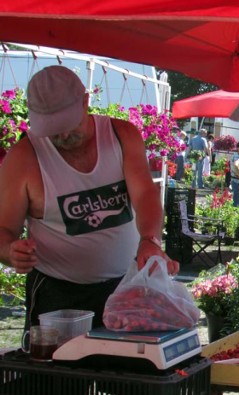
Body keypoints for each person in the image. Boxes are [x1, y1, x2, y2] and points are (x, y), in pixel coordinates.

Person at [0, 65, 178, 331]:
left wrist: (149, 240)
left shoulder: (121, 136)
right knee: (55, 372)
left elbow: (146, 196)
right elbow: (4, 229)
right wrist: (8, 252)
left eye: (68, 125)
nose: (62, 136)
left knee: (121, 368)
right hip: (55, 292)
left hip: (124, 285)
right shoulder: (24, 157)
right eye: (52, 129)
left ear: (85, 101)